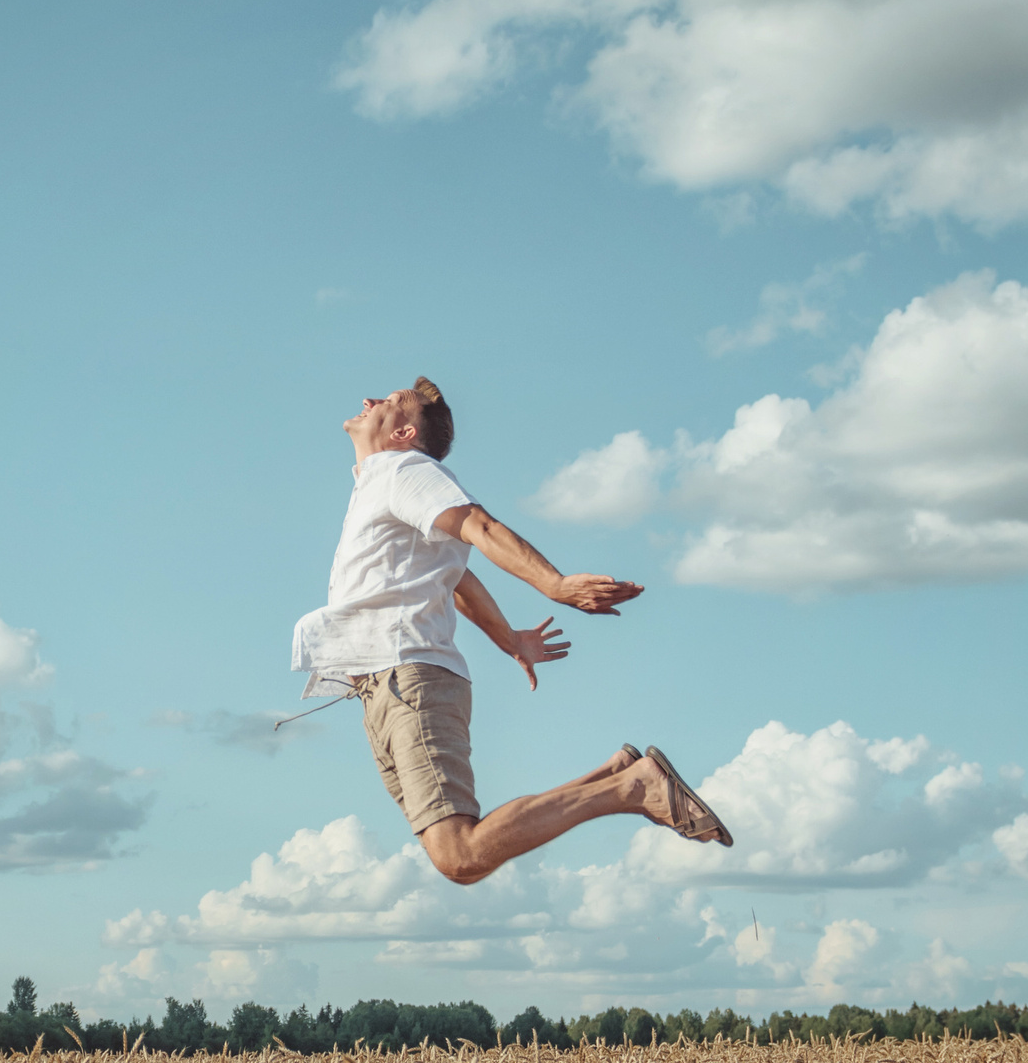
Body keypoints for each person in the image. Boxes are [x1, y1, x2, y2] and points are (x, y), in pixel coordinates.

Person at [291, 376, 731, 883]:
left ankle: (632, 789)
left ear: (405, 434)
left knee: (459, 855)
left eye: (390, 403)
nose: (369, 401)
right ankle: (614, 777)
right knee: (453, 854)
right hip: (383, 687)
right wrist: (511, 640)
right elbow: (456, 576)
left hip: (407, 677)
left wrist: (555, 584)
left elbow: (479, 525)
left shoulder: (404, 470)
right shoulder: (377, 484)